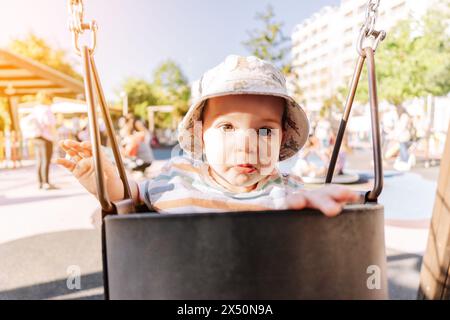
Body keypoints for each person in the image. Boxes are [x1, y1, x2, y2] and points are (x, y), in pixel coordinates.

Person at [56, 55, 359, 217]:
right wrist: (103, 179)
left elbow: (310, 207)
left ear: (281, 138)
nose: (246, 144)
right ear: (201, 136)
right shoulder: (176, 178)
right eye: (227, 127)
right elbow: (127, 197)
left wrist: (315, 203)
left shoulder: (289, 190)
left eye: (265, 130)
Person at [32, 91, 58, 190]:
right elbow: (50, 124)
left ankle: (40, 182)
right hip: (46, 138)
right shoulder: (47, 110)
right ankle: (46, 182)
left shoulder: (36, 109)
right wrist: (55, 138)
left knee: (39, 160)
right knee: (46, 161)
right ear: (47, 99)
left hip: (36, 137)